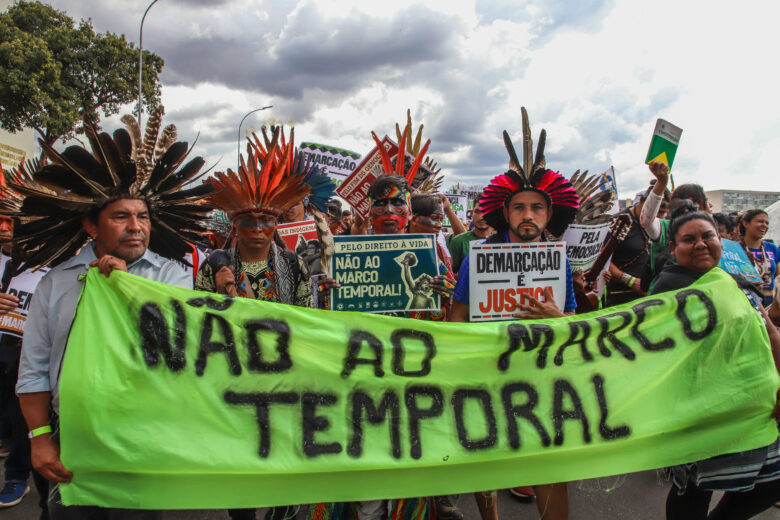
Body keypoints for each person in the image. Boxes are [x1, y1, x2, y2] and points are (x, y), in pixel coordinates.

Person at [10, 115, 213, 519]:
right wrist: (39, 438)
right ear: (91, 225)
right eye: (121, 217)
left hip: (147, 445)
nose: (136, 227)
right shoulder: (55, 284)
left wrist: (129, 294)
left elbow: (183, 351)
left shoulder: (174, 278)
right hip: (71, 446)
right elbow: (34, 370)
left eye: (143, 217)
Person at [197, 127, 336, 520]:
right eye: (249, 222)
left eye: (266, 221)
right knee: (238, 465)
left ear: (277, 224)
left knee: (281, 462)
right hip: (233, 380)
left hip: (282, 379)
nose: (257, 230)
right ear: (234, 225)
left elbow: (307, 318)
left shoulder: (294, 262)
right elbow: (199, 320)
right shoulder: (214, 265)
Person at [449, 112, 579, 520]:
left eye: (536, 208)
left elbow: (572, 321)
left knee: (549, 462)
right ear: (505, 214)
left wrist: (557, 316)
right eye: (519, 207)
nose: (528, 215)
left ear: (548, 213)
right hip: (488, 373)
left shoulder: (560, 262)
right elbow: (456, 320)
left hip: (542, 374)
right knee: (487, 460)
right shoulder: (477, 258)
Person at [649, 209, 780, 520]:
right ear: (673, 248)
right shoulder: (667, 289)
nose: (700, 244)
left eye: (708, 236)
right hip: (698, 411)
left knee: (772, 482)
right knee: (694, 488)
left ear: (721, 240)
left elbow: (770, 333)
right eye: (688, 239)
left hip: (754, 406)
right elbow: (625, 337)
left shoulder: (737, 282)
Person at [739, 209, 779, 306]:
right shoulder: (736, 248)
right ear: (745, 223)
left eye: (766, 223)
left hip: (769, 300)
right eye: (760, 221)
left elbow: (778, 276)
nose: (764, 225)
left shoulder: (771, 248)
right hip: (745, 300)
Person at [448, 202, 493, 274]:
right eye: (478, 212)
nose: (481, 217)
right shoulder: (458, 241)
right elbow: (449, 274)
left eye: (487, 211)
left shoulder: (503, 241)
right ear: (472, 213)